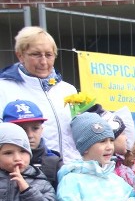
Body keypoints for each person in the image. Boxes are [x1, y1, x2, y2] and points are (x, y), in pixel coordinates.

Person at [0, 27, 79, 161]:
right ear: (20, 55)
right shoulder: (3, 88)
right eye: (36, 54)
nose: (43, 62)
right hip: (29, 174)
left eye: (49, 55)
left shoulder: (68, 90)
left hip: (71, 170)